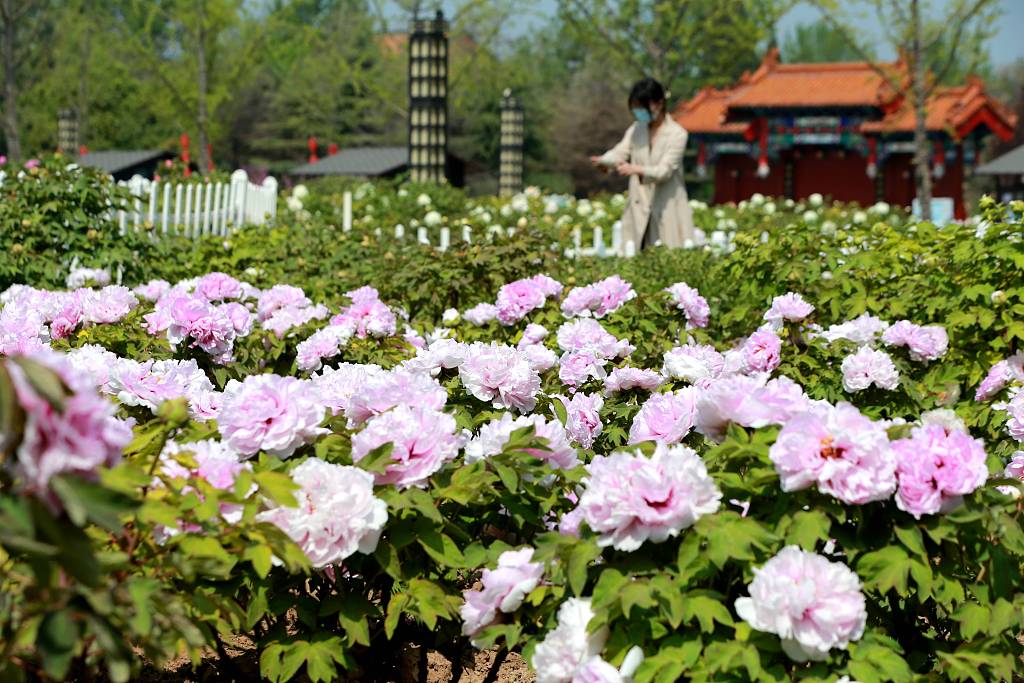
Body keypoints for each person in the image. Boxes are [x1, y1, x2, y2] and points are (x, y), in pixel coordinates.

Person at [590, 77, 695, 249]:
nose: (639, 112)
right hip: (639, 207)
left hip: (667, 207)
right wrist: (604, 161)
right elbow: (620, 152)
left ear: (659, 103)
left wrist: (636, 169)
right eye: (635, 108)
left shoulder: (677, 134)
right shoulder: (636, 129)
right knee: (633, 260)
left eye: (642, 106)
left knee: (667, 262)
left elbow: (664, 171)